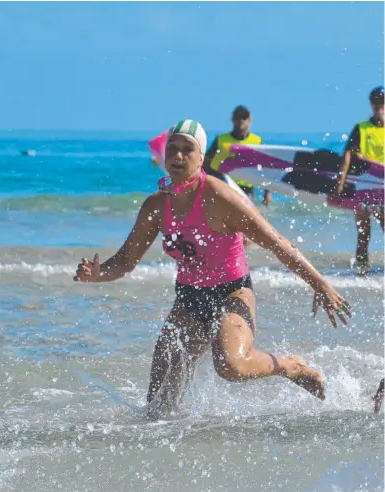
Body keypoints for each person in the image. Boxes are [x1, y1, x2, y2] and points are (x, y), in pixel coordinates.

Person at [74, 120, 350, 416]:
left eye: (187, 150)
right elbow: (126, 261)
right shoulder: (156, 206)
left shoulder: (219, 198)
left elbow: (276, 242)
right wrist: (97, 274)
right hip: (189, 299)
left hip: (233, 293)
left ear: (201, 157)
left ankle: (290, 366)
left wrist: (319, 283)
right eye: (173, 149)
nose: (178, 156)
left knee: (231, 366)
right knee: (158, 403)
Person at [334, 87, 384, 276]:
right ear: (371, 104)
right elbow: (347, 156)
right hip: (363, 189)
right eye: (376, 101)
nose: (380, 105)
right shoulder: (362, 128)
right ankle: (361, 273)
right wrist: (340, 184)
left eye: (383, 101)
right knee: (363, 234)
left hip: (384, 190)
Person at [204, 106, 272, 206]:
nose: (240, 121)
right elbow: (205, 162)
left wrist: (267, 193)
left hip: (246, 189)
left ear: (250, 120)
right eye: (237, 118)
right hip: (225, 186)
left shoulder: (257, 141)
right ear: (232, 119)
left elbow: (265, 168)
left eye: (244, 118)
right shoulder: (221, 139)